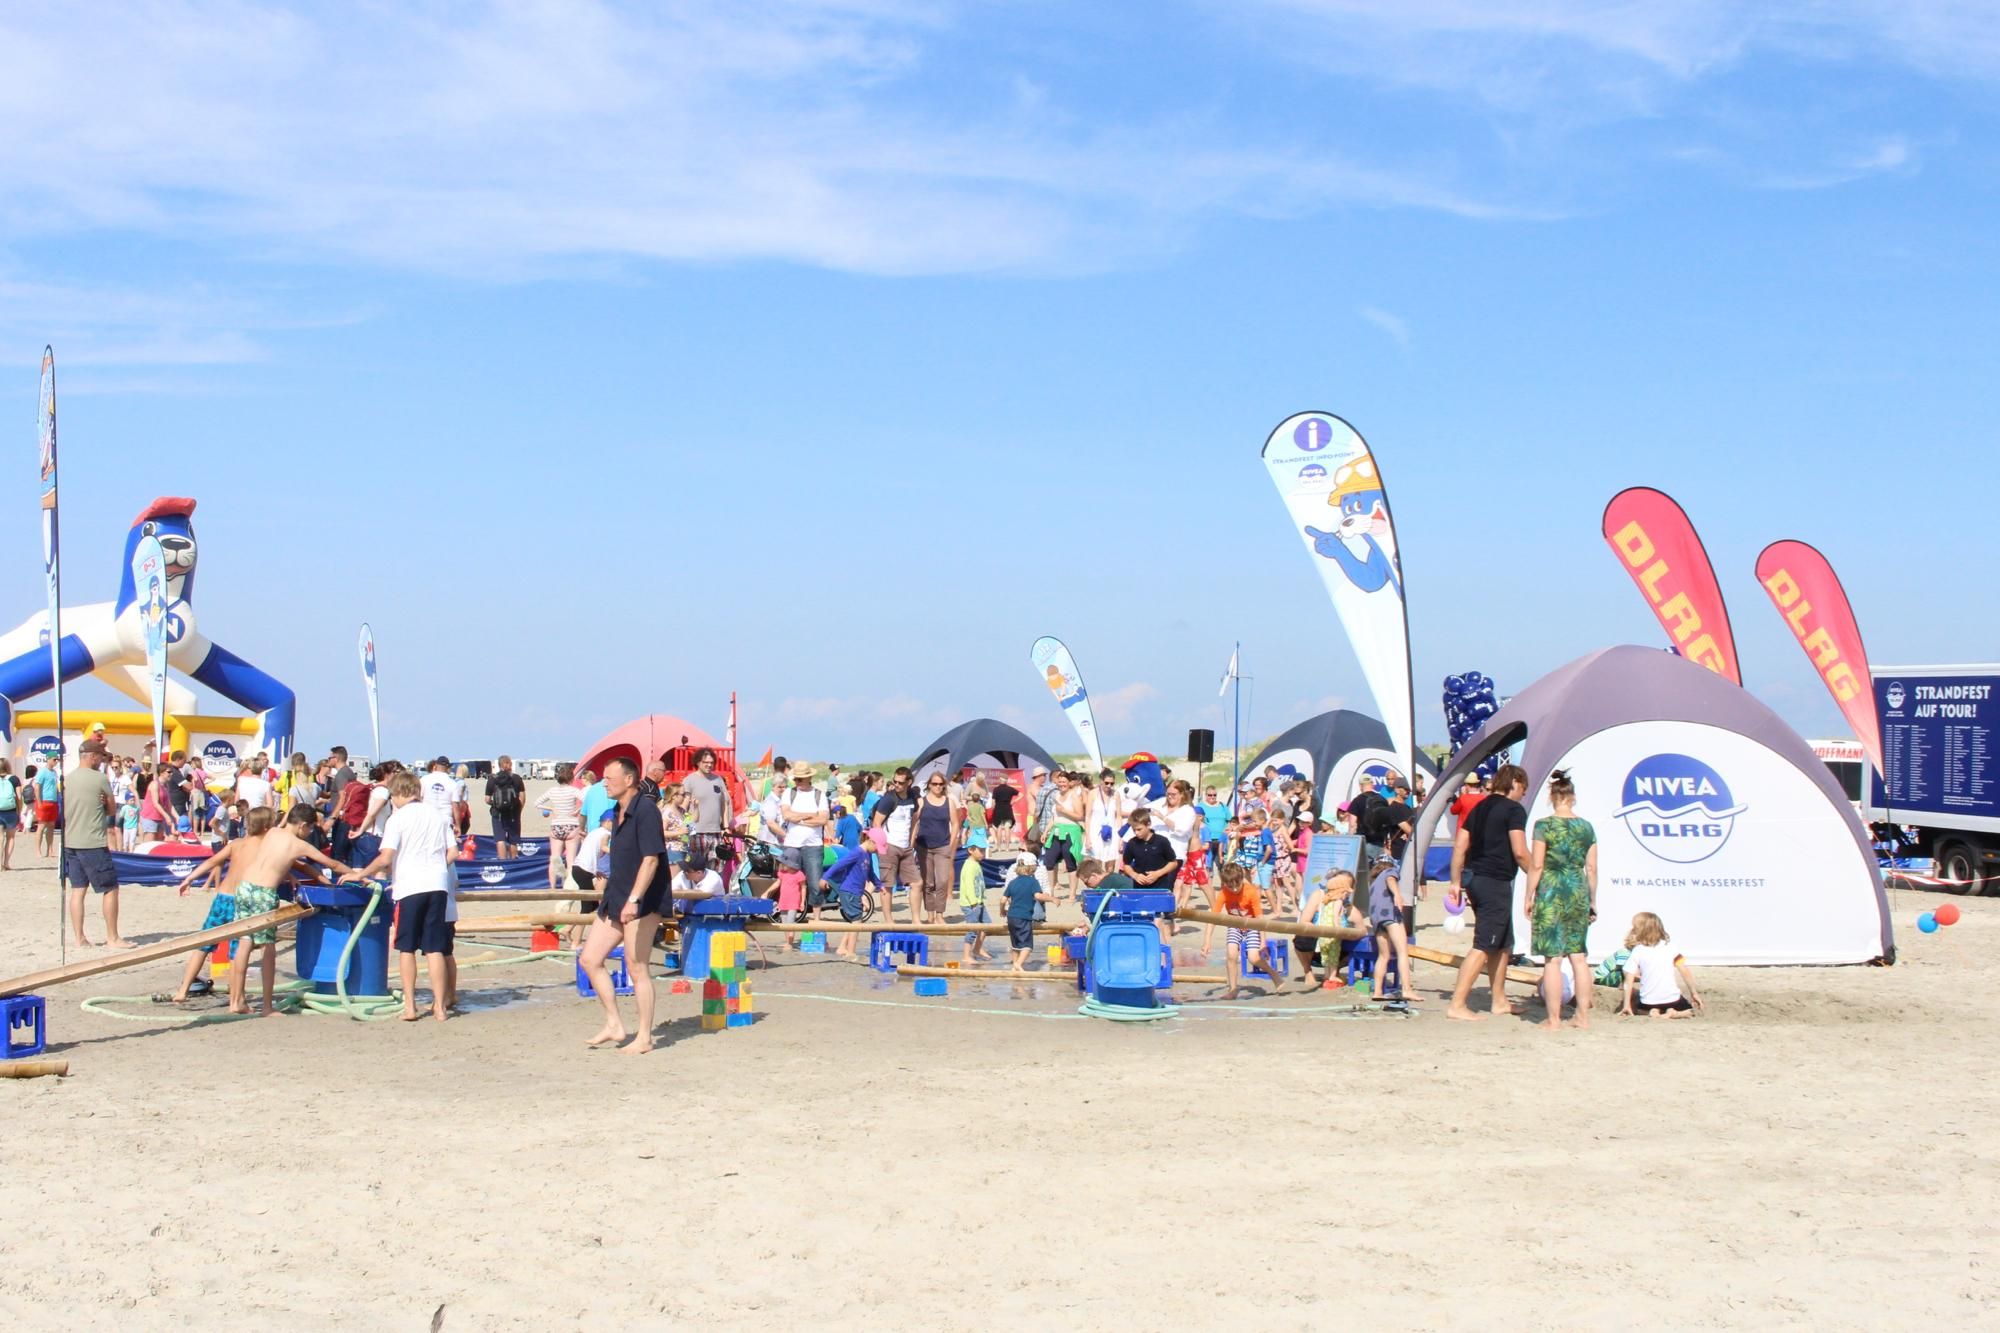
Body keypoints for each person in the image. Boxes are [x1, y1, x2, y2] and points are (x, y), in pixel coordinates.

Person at [344, 770, 458, 1023]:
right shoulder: (437, 815)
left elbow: (385, 857)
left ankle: (410, 1007)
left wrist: (360, 873)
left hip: (410, 886)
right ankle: (440, 1008)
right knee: (434, 948)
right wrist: (435, 866)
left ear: (397, 793)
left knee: (406, 948)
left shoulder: (397, 819)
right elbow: (453, 851)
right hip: (437, 884)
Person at [575, 757, 667, 1054]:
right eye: (603, 778)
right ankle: (614, 1023)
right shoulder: (617, 810)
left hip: (643, 899)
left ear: (629, 780)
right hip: (616, 894)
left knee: (636, 966)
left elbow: (651, 860)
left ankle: (645, 1037)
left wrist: (634, 900)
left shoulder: (646, 810)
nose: (604, 782)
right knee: (590, 959)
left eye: (609, 778)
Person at [224, 803, 351, 1015]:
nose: (310, 833)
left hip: (245, 887)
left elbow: (279, 861)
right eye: (310, 829)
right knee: (268, 948)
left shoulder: (273, 832)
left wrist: (291, 875)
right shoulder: (298, 844)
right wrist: (359, 876)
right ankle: (267, 1007)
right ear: (303, 825)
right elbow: (333, 864)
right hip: (263, 893)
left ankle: (236, 1001)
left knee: (244, 943)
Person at [1446, 764, 1532, 1022]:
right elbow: (1520, 852)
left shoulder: (1479, 806)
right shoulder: (1514, 810)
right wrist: (1539, 877)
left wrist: (1455, 881)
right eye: (1524, 788)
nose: (1524, 794)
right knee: (1484, 944)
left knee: (1503, 943)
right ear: (1515, 782)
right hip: (1493, 880)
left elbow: (1460, 845)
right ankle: (1457, 1004)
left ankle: (1499, 1000)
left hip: (1474, 877)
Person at [165, 806, 277, 1004]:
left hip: (222, 898)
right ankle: (236, 998)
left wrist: (189, 878)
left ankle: (182, 990)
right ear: (268, 827)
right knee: (237, 952)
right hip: (241, 901)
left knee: (203, 945)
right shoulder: (266, 848)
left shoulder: (237, 844)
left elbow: (213, 861)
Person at [1523, 768, 1598, 1031]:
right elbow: (1592, 868)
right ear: (1572, 797)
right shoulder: (1586, 827)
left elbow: (1537, 864)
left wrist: (1528, 895)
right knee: (1578, 956)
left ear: (1552, 797)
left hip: (1551, 890)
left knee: (1552, 958)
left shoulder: (1544, 826)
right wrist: (1592, 900)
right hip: (1577, 889)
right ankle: (1582, 1016)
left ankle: (1554, 1019)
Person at [63, 738, 130, 949]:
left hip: (71, 840)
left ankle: (79, 938)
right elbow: (112, 810)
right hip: (92, 842)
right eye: (100, 756)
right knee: (110, 888)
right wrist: (103, 803)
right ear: (92, 756)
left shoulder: (68, 778)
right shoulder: (100, 778)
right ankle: (113, 937)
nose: (102, 760)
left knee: (78, 890)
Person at [1214, 862, 1284, 999]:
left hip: (1252, 925)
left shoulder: (1250, 891)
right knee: (1231, 955)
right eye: (1230, 886)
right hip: (1234, 924)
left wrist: (1263, 942)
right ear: (1225, 883)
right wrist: (1207, 942)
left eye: (1237, 885)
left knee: (1253, 958)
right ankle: (1233, 988)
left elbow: (1260, 919)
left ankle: (1274, 975)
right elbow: (1213, 918)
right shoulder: (1223, 893)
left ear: (1242, 879)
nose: (1234, 889)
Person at [1619, 912, 1704, 1018]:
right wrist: (1694, 993)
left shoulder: (1638, 951)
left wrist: (1626, 1005)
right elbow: (1684, 970)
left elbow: (1629, 979)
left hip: (1648, 1002)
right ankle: (1674, 1012)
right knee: (1689, 1009)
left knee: (1638, 1009)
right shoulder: (1670, 947)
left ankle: (1652, 1012)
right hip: (1672, 1000)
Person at [870, 767, 923, 926]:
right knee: (887, 885)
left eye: (901, 782)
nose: (897, 785)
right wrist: (881, 846)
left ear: (909, 782)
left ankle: (916, 920)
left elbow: (914, 819)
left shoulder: (912, 797)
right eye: (895, 781)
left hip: (906, 846)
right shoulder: (888, 799)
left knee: (917, 883)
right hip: (889, 845)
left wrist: (911, 842)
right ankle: (889, 921)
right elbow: (876, 823)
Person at [1365, 851, 1417, 1002]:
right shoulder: (1390, 871)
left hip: (1377, 920)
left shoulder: (1373, 884)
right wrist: (1397, 895)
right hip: (1390, 916)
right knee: (1402, 952)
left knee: (1383, 956)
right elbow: (1391, 879)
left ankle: (1377, 992)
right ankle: (1407, 990)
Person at [779, 762, 829, 914]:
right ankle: (790, 915)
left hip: (813, 844)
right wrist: (809, 816)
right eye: (795, 779)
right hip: (792, 843)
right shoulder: (789, 793)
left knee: (815, 883)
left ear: (809, 778)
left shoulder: (819, 795)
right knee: (789, 882)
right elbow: (786, 815)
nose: (797, 782)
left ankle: (817, 919)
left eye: (799, 779)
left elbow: (823, 819)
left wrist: (798, 819)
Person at [1293, 869, 1356, 985]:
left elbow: (1360, 927)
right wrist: (1320, 931)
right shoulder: (1319, 895)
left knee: (1357, 942)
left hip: (1339, 944)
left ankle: (1333, 973)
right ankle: (1308, 971)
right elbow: (1304, 922)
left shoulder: (1347, 904)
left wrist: (1350, 932)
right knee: (1302, 937)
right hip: (1317, 942)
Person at [913, 772, 959, 925]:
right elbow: (914, 822)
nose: (938, 787)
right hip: (923, 846)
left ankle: (940, 914)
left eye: (940, 784)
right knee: (928, 883)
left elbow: (956, 823)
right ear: (929, 785)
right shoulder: (921, 802)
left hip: (943, 846)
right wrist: (912, 841)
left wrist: (951, 843)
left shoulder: (949, 802)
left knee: (943, 881)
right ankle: (930, 914)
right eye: (935, 784)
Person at [567, 809, 617, 946]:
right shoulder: (606, 833)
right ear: (608, 821)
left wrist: (596, 871)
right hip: (583, 870)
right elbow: (604, 847)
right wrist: (619, 852)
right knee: (587, 907)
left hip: (580, 869)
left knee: (592, 904)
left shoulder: (594, 832)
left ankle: (568, 929)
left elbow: (590, 853)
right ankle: (575, 942)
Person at [683, 747, 734, 871]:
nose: (709, 765)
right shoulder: (689, 780)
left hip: (716, 832)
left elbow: (724, 804)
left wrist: (725, 827)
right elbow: (684, 807)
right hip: (697, 833)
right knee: (696, 870)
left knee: (715, 869)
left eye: (711, 762)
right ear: (698, 762)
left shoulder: (718, 780)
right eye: (705, 762)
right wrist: (687, 831)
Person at [537, 762, 584, 891]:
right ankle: (569, 887)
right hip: (571, 825)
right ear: (571, 778)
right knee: (571, 860)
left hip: (556, 825)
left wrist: (551, 809)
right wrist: (577, 810)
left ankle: (552, 887)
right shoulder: (574, 790)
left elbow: (537, 803)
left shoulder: (552, 791)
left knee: (555, 858)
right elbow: (587, 800)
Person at [1003, 856, 1051, 970]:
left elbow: (1003, 900)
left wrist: (1002, 910)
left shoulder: (1013, 882)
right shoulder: (1032, 882)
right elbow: (1038, 896)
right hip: (1024, 917)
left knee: (1015, 944)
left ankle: (1014, 967)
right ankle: (1018, 964)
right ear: (1031, 868)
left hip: (1011, 917)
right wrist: (1052, 899)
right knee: (1027, 946)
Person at [958, 842, 996, 963]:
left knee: (987, 925)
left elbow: (979, 882)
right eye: (981, 851)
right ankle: (966, 955)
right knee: (972, 929)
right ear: (971, 850)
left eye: (984, 850)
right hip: (970, 904)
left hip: (979, 902)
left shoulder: (976, 864)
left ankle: (977, 949)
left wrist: (981, 897)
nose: (983, 854)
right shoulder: (969, 866)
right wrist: (974, 902)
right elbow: (969, 885)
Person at [487, 754, 527, 859]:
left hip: (497, 814)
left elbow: (487, 799)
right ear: (508, 764)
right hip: (513, 813)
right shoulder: (516, 778)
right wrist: (519, 810)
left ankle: (503, 862)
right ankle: (513, 861)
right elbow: (522, 798)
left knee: (500, 839)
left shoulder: (492, 779)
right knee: (513, 840)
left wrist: (495, 804)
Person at [1197, 786, 1231, 878]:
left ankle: (1224, 884)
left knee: (1222, 865)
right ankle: (1209, 884)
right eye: (1210, 795)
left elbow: (1230, 820)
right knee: (1208, 866)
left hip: (1221, 840)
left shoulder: (1222, 806)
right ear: (1206, 795)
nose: (1212, 797)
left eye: (1214, 795)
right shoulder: (1200, 806)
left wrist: (1227, 830)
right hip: (1207, 840)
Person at [33, 756, 62, 858]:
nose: (56, 761)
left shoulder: (54, 772)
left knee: (51, 826)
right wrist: (39, 802)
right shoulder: (42, 772)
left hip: (53, 801)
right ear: (48, 759)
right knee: (41, 826)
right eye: (54, 759)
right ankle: (38, 850)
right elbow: (37, 787)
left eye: (57, 760)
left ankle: (50, 850)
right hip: (44, 801)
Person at [0, 757, 22, 870]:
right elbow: (19, 797)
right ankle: (6, 863)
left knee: (0, 837)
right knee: (10, 837)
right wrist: (19, 811)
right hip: (10, 811)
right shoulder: (14, 779)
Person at [987, 772, 1018, 851]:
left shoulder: (996, 789)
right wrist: (1014, 801)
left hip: (998, 810)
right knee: (1007, 828)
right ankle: (1007, 847)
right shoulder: (1010, 789)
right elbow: (1021, 794)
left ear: (1000, 780)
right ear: (1006, 780)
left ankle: (999, 847)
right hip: (1008, 810)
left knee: (999, 828)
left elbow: (993, 802)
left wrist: (993, 809)